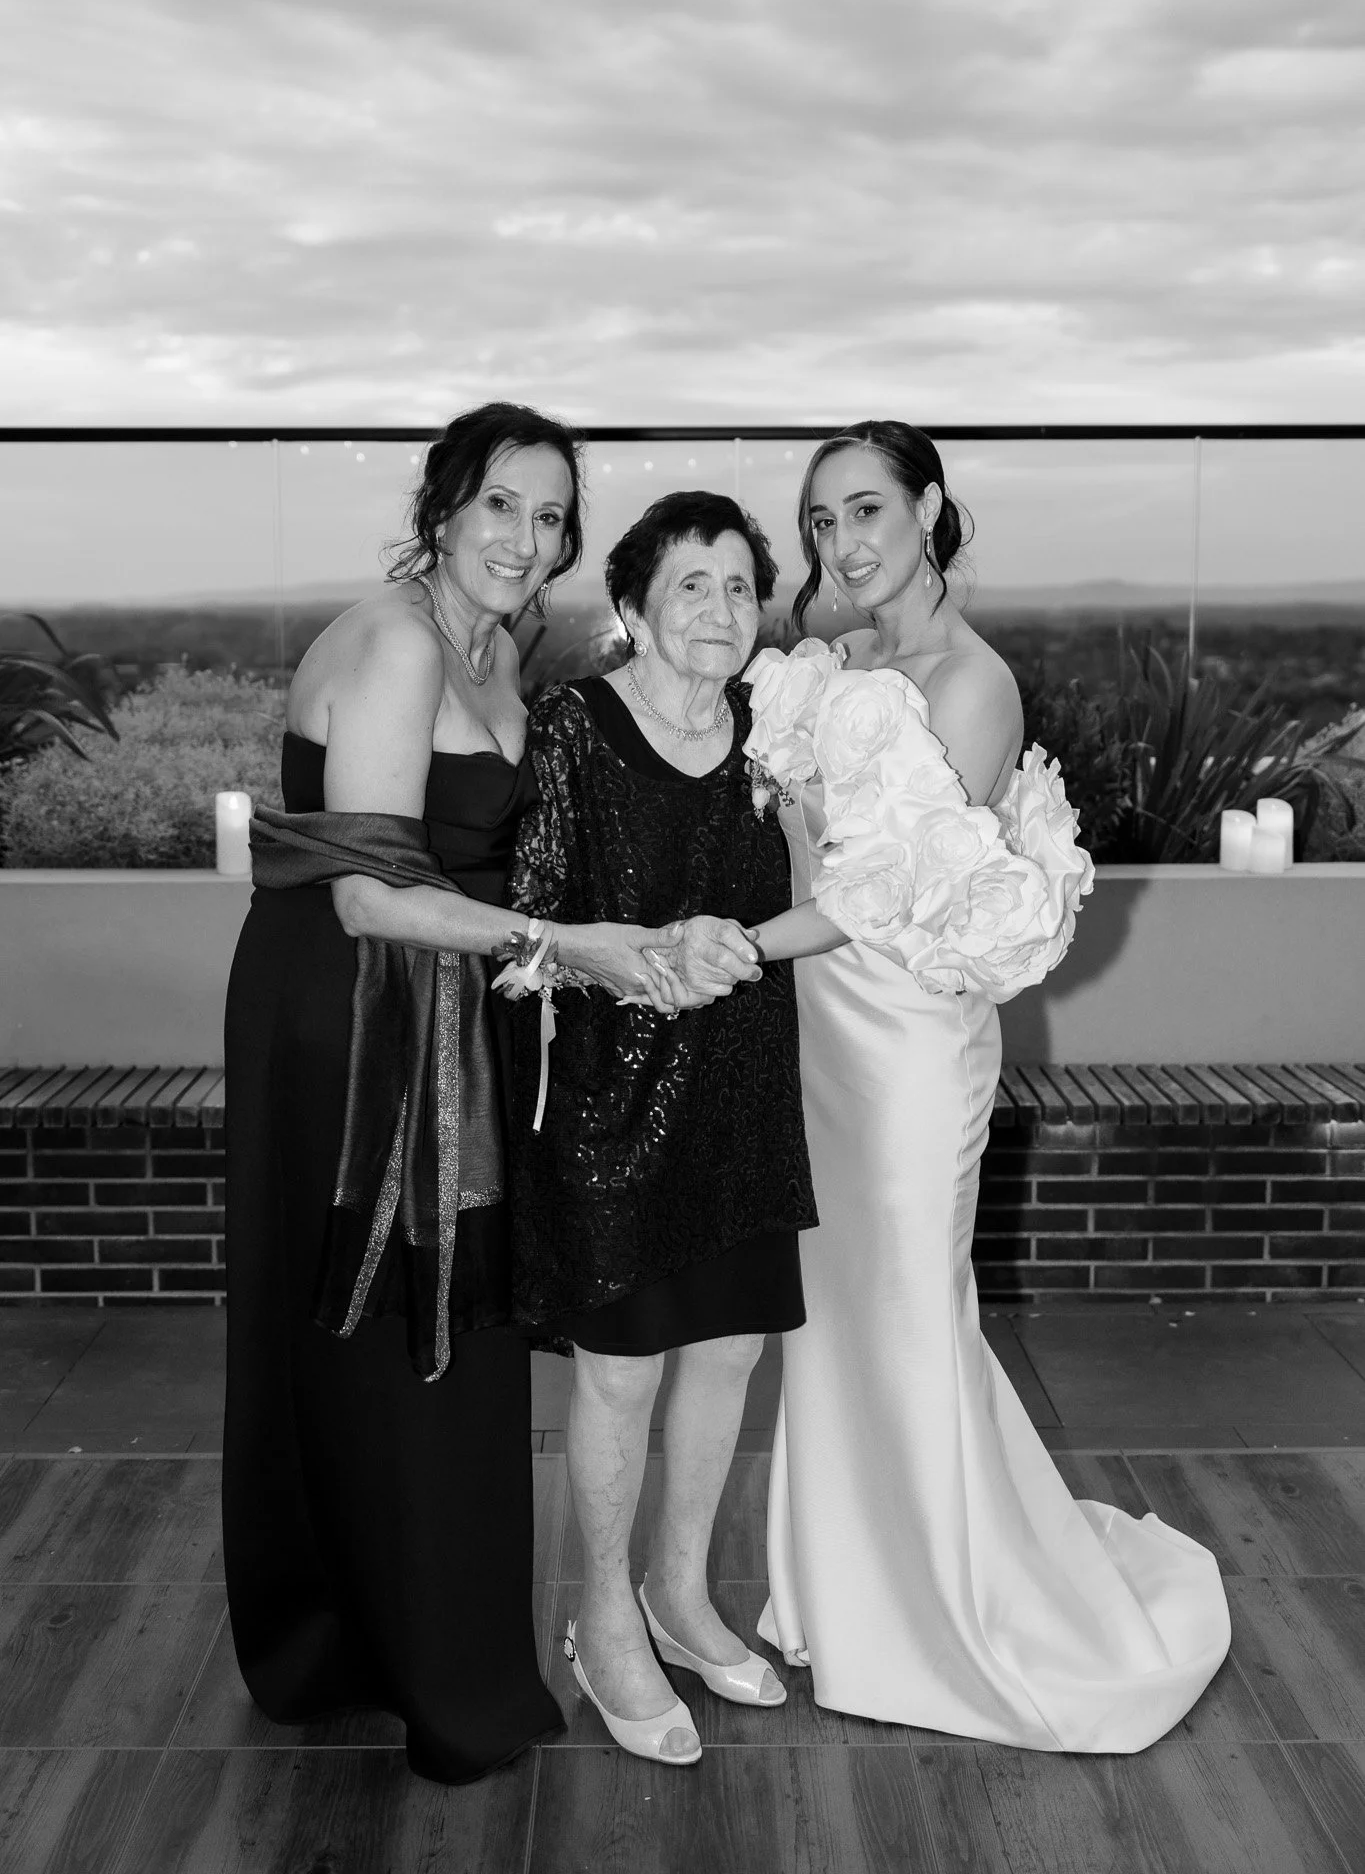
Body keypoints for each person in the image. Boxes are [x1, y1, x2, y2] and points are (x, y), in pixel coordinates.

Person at [736, 419, 1231, 1752]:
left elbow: (883, 894)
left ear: (928, 507)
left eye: (865, 509)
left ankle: (946, 1619)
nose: (842, 541)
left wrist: (733, 944)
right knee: (830, 1320)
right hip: (818, 1035)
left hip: (905, 1044)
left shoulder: (972, 682)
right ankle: (843, 1596)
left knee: (907, 1312)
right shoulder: (839, 662)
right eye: (822, 519)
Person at [223, 401, 694, 1784]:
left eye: (551, 517)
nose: (526, 539)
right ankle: (412, 1664)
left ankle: (384, 1642)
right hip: (352, 1019)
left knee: (429, 1335)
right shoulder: (398, 643)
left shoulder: (496, 645)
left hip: (445, 1010)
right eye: (501, 504)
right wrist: (573, 946)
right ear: (440, 509)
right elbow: (369, 897)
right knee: (390, 1331)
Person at [506, 491, 818, 1765]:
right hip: (611, 1099)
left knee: (730, 1349)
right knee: (623, 1368)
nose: (721, 608)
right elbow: (528, 926)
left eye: (741, 585)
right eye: (693, 582)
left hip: (741, 1092)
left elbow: (840, 889)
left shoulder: (775, 730)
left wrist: (748, 940)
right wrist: (644, 956)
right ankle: (603, 1613)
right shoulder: (574, 725)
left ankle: (681, 1593)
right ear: (631, 607)